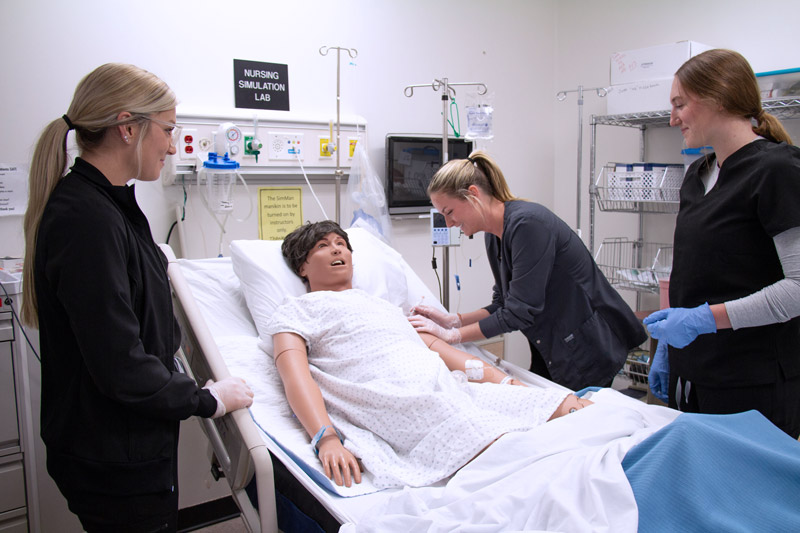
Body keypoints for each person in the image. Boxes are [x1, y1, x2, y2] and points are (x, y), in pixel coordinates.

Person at [21, 63, 254, 532]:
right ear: (128, 127)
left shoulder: (112, 206)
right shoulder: (86, 220)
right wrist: (208, 400)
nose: (172, 144)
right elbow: (121, 364)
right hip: (113, 459)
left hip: (122, 448)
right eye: (167, 130)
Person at [267, 221, 592, 488]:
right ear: (302, 267)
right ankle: (571, 481)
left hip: (449, 386)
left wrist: (507, 382)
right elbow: (295, 376)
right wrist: (326, 438)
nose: (337, 248)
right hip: (399, 399)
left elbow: (439, 348)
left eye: (342, 243)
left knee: (567, 406)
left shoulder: (383, 306)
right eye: (323, 246)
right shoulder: (296, 311)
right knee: (508, 447)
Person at [642, 49, 800, 439]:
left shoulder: (778, 170)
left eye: (680, 104)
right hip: (694, 374)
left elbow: (798, 289)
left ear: (720, 98)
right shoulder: (698, 174)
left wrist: (701, 320)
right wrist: (669, 347)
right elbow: (696, 271)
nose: (672, 117)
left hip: (752, 382)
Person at [408, 151, 647, 391]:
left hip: (587, 344)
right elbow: (504, 302)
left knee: (577, 415)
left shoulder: (528, 225)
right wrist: (454, 321)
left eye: (449, 212)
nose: (449, 224)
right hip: (551, 343)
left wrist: (453, 336)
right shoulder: (494, 235)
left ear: (473, 194)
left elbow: (519, 312)